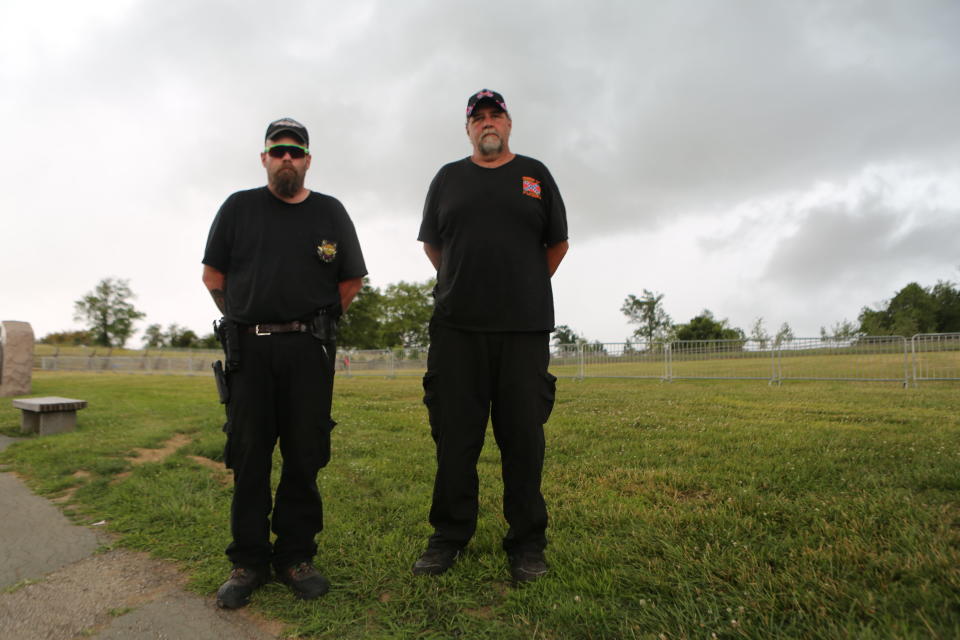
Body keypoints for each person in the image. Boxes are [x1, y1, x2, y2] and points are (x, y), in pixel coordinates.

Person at [201, 117, 367, 608]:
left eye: (296, 150)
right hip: (249, 351)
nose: (287, 158)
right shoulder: (238, 207)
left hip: (307, 351)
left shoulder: (330, 212)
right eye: (278, 150)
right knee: (249, 455)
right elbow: (214, 276)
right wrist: (244, 318)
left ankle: (296, 557)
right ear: (265, 159)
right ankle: (247, 562)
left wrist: (311, 325)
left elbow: (350, 281)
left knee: (304, 454)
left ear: (308, 159)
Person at [413, 89, 569, 583]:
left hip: (523, 330)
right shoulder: (448, 178)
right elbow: (434, 247)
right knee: (455, 439)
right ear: (467, 128)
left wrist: (518, 287)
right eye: (477, 117)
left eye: (494, 115)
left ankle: (526, 543)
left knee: (523, 439)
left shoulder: (535, 175)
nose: (486, 123)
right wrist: (466, 285)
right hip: (457, 330)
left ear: (508, 123)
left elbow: (557, 243)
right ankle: (449, 537)